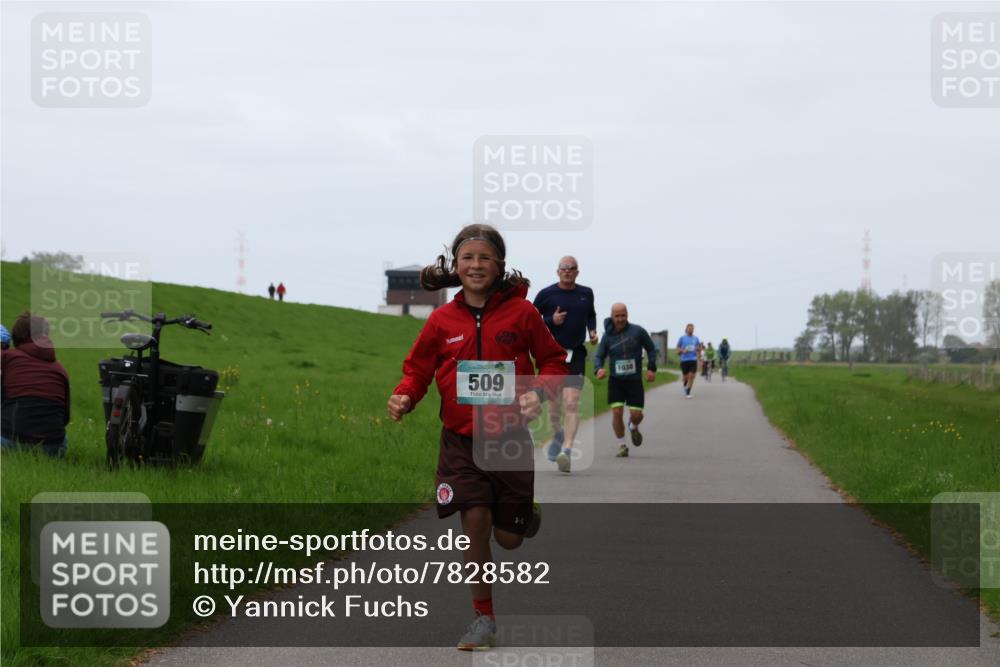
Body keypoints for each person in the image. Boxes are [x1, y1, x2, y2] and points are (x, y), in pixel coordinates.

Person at [387, 223, 567, 651]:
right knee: (475, 523)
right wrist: (405, 396)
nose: (476, 265)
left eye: (485, 257)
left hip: (507, 440)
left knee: (508, 539)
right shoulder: (441, 319)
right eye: (468, 257)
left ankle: (524, 510)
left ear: (500, 265)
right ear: (456, 265)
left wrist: (538, 394)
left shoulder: (523, 315)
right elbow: (418, 369)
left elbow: (554, 361)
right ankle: (483, 619)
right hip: (460, 440)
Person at [532, 256, 597, 473]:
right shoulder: (546, 294)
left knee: (571, 402)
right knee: (554, 405)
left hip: (576, 354)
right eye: (564, 268)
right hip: (553, 356)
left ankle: (566, 451)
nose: (568, 271)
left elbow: (591, 314)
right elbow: (529, 318)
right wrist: (551, 320)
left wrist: (592, 330)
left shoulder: (585, 293)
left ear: (577, 272)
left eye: (572, 269)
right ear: (557, 271)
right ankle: (558, 434)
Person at [1, 313, 71, 457]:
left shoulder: (7, 358)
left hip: (10, 441)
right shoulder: (60, 370)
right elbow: (65, 417)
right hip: (53, 448)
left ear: (16, 337)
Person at [593, 303, 657, 458]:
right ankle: (622, 445)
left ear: (627, 314)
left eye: (623, 315)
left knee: (637, 414)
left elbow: (651, 348)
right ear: (612, 316)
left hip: (634, 380)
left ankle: (633, 426)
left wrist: (651, 368)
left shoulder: (638, 331)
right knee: (616, 412)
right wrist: (598, 368)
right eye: (617, 316)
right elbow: (599, 355)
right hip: (616, 380)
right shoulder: (607, 336)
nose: (620, 319)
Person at [676, 323, 701, 398]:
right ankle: (685, 384)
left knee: (692, 375)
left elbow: (699, 348)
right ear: (686, 329)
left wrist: (698, 350)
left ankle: (688, 391)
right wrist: (683, 351)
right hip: (684, 360)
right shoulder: (682, 338)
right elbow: (677, 348)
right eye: (689, 328)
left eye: (692, 328)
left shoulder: (696, 338)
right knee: (685, 376)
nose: (691, 330)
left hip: (693, 359)